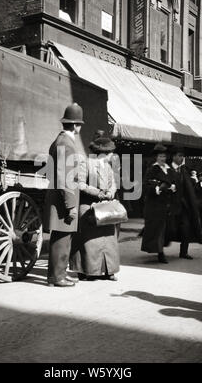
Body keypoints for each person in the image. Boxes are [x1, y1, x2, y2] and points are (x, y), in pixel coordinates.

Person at [44, 103, 84, 288]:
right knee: (62, 239)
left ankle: (57, 275)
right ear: (76, 125)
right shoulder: (67, 144)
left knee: (61, 238)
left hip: (58, 197)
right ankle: (57, 277)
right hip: (64, 200)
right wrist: (70, 205)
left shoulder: (59, 141)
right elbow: (65, 178)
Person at [70, 137, 120, 280]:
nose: (112, 155)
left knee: (109, 238)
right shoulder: (85, 163)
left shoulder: (108, 166)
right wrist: (98, 193)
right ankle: (86, 271)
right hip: (88, 207)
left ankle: (108, 271)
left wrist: (110, 192)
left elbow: (113, 183)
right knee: (89, 241)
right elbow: (80, 184)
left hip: (105, 206)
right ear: (104, 152)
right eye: (111, 152)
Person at [141, 144, 176, 264]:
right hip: (155, 205)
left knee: (166, 230)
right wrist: (157, 188)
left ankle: (160, 249)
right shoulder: (152, 169)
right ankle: (160, 253)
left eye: (164, 156)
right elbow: (146, 185)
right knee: (158, 230)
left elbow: (174, 182)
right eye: (160, 156)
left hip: (167, 205)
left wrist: (172, 187)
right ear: (156, 157)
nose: (163, 158)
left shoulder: (169, 169)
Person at [168, 146, 202, 260]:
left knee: (186, 229)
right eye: (179, 155)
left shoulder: (184, 170)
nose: (181, 158)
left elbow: (189, 188)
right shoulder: (167, 169)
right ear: (173, 156)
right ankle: (160, 251)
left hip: (184, 206)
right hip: (170, 206)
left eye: (182, 156)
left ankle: (183, 252)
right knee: (168, 229)